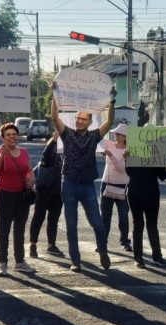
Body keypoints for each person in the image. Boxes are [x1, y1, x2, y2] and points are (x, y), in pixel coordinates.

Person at [51, 83, 116, 272]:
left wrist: (112, 100)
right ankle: (75, 261)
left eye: (83, 119)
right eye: (77, 118)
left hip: (87, 186)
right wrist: (54, 95)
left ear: (89, 122)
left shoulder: (95, 136)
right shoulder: (67, 134)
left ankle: (103, 251)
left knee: (97, 223)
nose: (79, 121)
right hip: (69, 185)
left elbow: (109, 121)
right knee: (71, 226)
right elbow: (54, 117)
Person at [0, 123, 36, 276]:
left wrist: (31, 180)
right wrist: (2, 155)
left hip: (22, 195)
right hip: (4, 195)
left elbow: (29, 170)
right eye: (8, 134)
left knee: (20, 229)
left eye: (14, 134)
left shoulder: (23, 152)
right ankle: (2, 263)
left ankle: (20, 262)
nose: (12, 137)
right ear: (2, 137)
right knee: (4, 230)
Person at [126, 160, 166, 268]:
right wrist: (126, 159)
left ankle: (157, 257)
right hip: (135, 194)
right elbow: (129, 172)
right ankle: (138, 258)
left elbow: (162, 176)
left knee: (152, 226)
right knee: (138, 225)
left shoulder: (156, 153)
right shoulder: (134, 151)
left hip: (152, 194)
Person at [29, 131, 65, 259]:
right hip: (44, 189)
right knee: (39, 217)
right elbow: (46, 155)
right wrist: (54, 140)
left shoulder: (67, 150)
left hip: (58, 190)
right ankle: (33, 245)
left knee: (53, 219)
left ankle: (51, 245)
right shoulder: (51, 150)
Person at [100, 124, 132, 253]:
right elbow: (96, 138)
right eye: (115, 133)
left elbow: (121, 169)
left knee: (123, 217)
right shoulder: (109, 144)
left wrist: (111, 156)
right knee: (105, 217)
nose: (116, 135)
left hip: (123, 186)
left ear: (126, 137)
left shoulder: (130, 150)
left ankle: (125, 242)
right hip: (107, 183)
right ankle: (102, 242)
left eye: (119, 134)